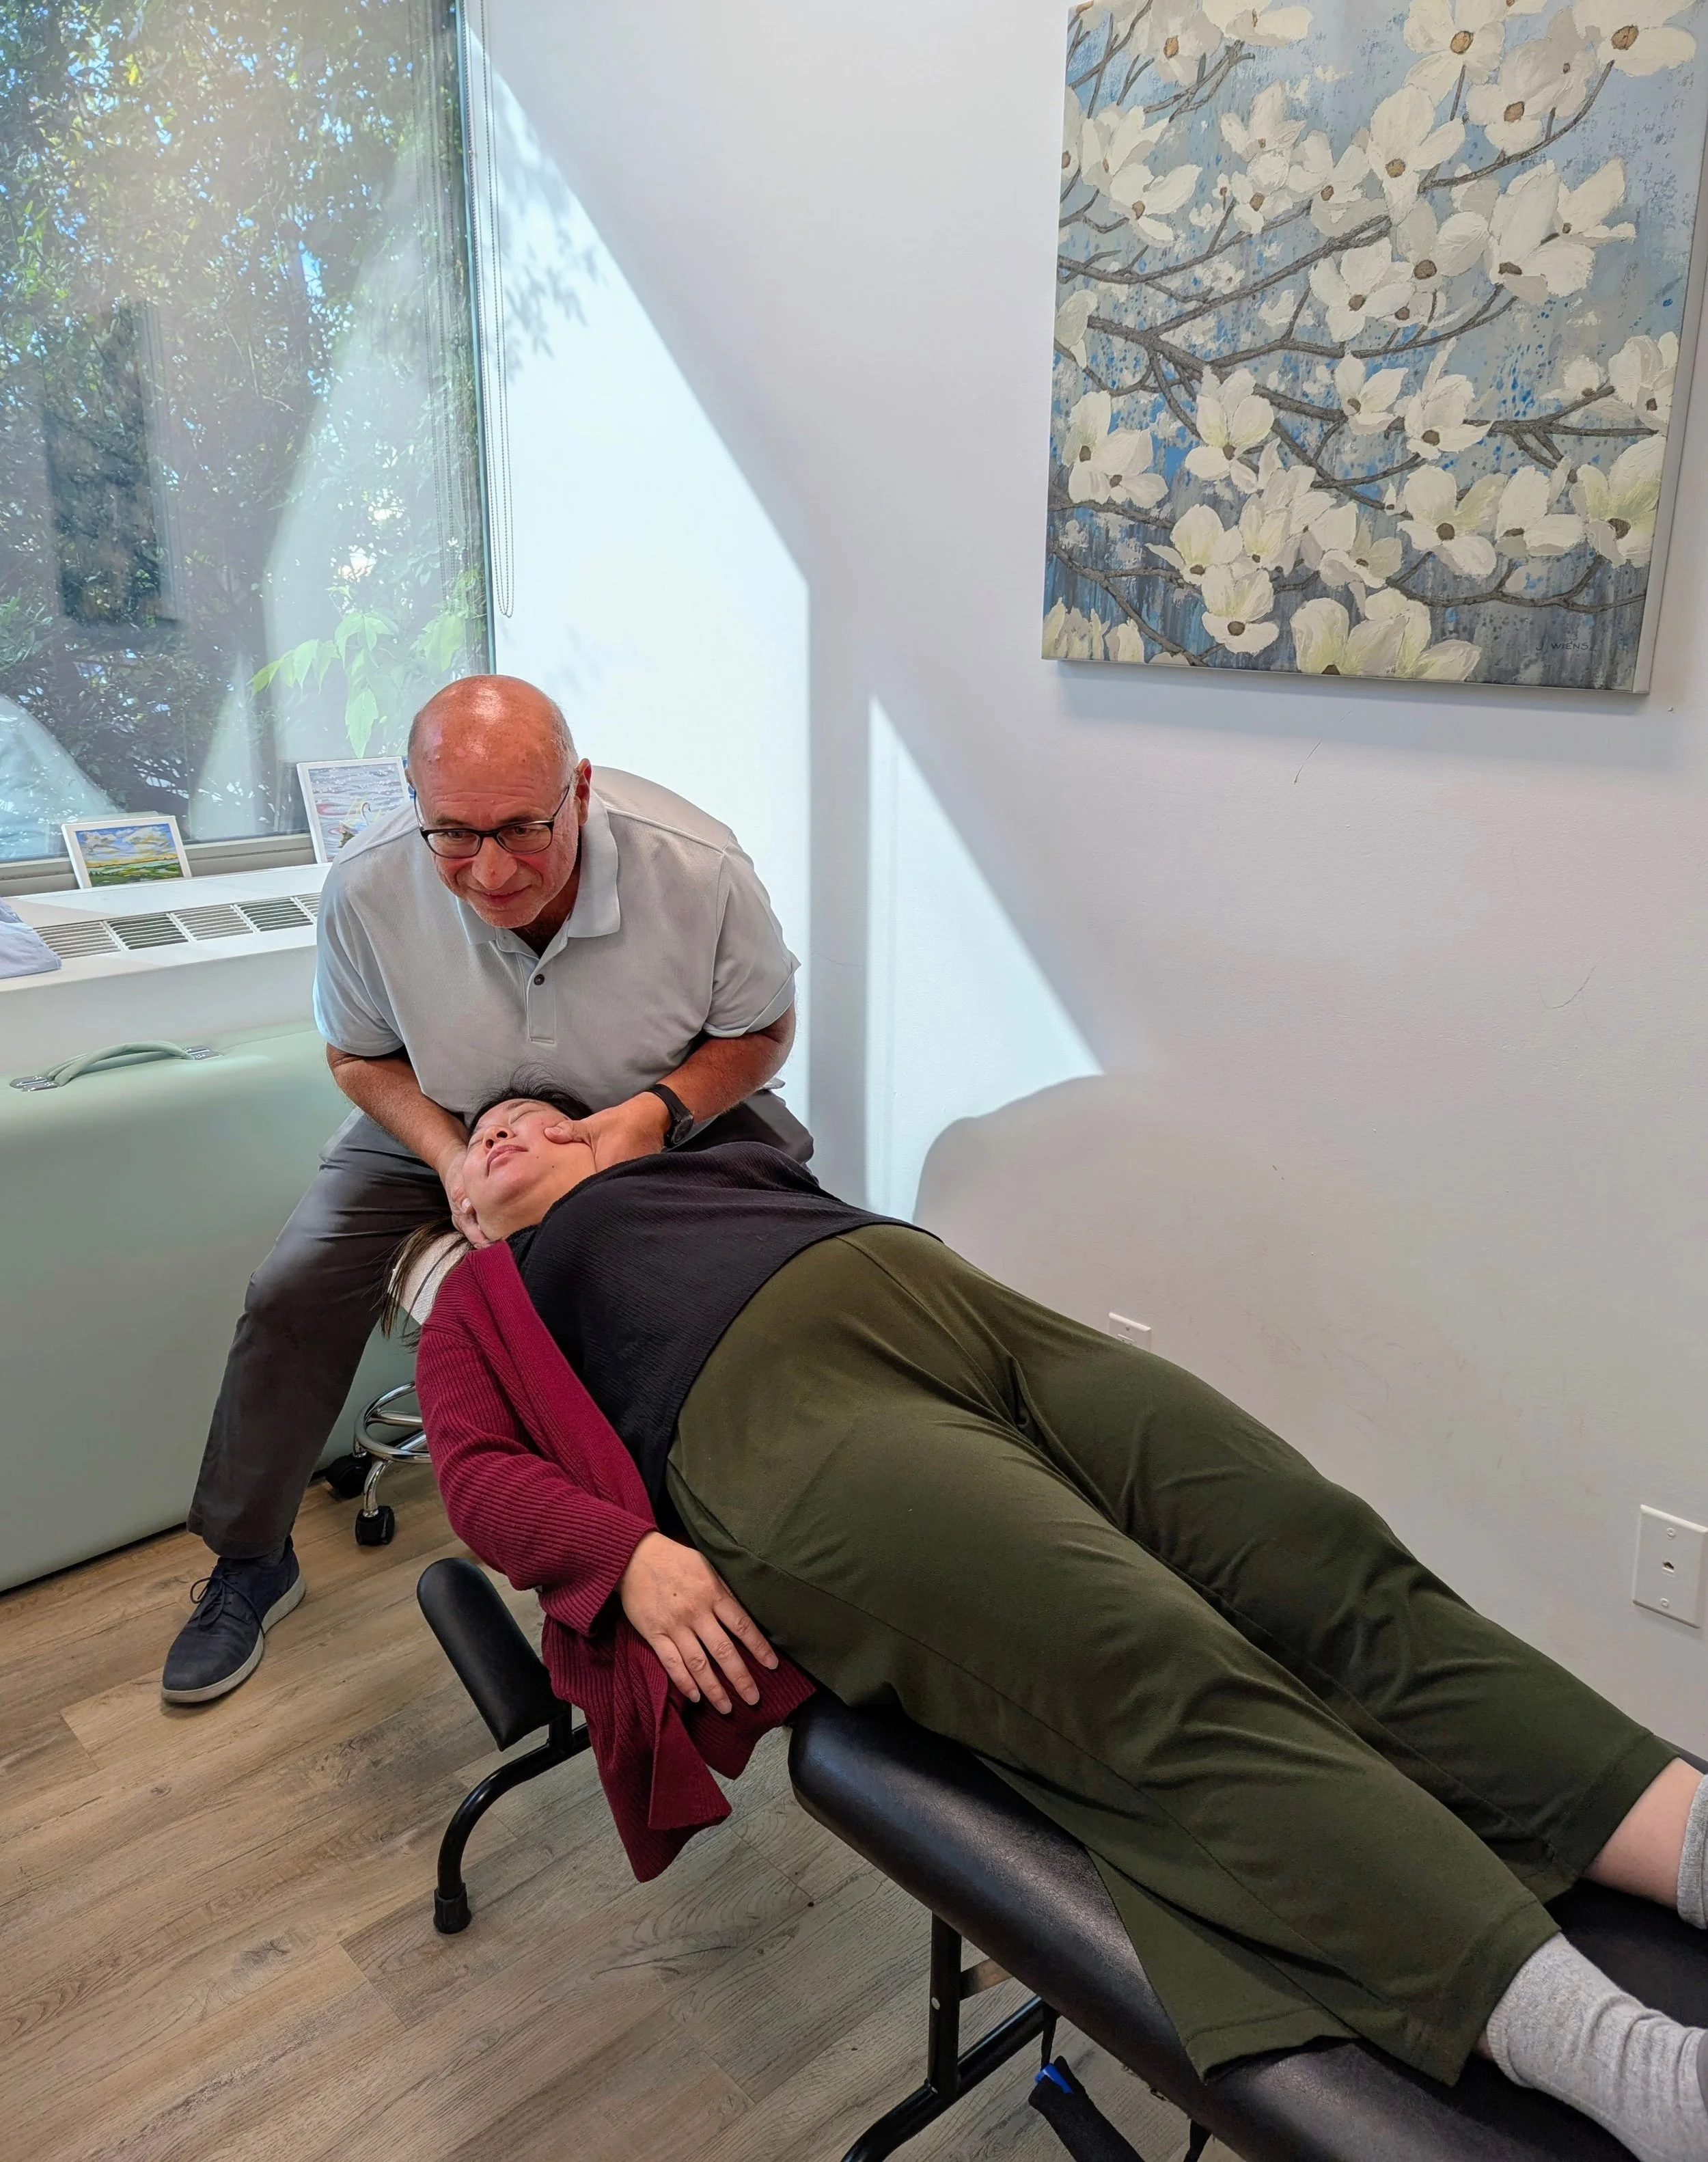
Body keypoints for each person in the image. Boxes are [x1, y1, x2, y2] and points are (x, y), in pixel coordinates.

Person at [414, 1093, 1708, 2162]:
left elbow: (734, 1082)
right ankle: (1641, 2077)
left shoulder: (712, 1157)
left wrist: (631, 1131)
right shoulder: (484, 1305)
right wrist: (624, 1552)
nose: (508, 1123)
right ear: (464, 1209)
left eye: (536, 1111)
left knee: (1323, 1551)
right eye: (482, 1141)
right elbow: (474, 1474)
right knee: (1153, 1668)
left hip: (971, 1319)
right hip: (782, 1429)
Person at [161, 676, 800, 1706]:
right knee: (293, 1287)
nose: (492, 870)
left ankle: (778, 1528)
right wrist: (451, 1155)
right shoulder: (368, 887)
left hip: (650, 1105)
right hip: (442, 1118)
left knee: (792, 1253)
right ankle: (248, 1561)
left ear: (580, 789)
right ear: (414, 807)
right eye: (452, 836)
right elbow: (357, 1055)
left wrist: (650, 1122)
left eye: (521, 829)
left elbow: (763, 1031)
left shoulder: (699, 868)